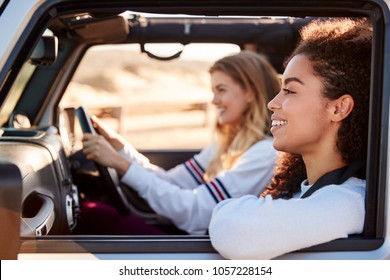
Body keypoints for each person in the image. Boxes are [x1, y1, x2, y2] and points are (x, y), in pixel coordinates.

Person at [209, 18, 371, 259]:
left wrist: (222, 210)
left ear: (339, 109)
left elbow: (234, 233)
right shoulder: (310, 194)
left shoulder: (349, 202)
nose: (273, 103)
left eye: (290, 90)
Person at [80, 51, 281, 235]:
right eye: (213, 90)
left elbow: (193, 212)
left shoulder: (264, 153)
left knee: (93, 216)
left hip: (210, 248)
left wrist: (120, 164)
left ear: (250, 92)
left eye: (221, 90)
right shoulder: (228, 144)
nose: (214, 100)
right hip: (197, 237)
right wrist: (121, 149)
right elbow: (171, 181)